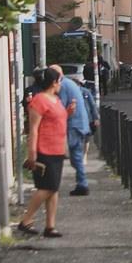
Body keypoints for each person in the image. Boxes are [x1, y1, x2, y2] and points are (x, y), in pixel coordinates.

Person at [17, 66, 74, 238]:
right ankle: (26, 220)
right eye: (59, 81)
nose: (61, 84)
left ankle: (50, 226)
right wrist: (32, 152)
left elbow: (56, 119)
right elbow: (34, 129)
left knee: (53, 188)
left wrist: (67, 113)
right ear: (53, 83)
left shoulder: (55, 99)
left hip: (57, 149)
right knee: (46, 187)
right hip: (44, 150)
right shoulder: (39, 101)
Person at [52, 64, 92, 196]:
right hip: (80, 123)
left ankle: (79, 184)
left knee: (63, 154)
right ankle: (82, 184)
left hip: (73, 125)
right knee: (76, 156)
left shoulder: (62, 85)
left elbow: (61, 107)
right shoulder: (70, 83)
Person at [78, 82, 99, 160]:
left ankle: (84, 155)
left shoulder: (86, 92)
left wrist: (95, 118)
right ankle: (80, 154)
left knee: (86, 138)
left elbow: (92, 105)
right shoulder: (70, 93)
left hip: (87, 118)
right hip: (76, 119)